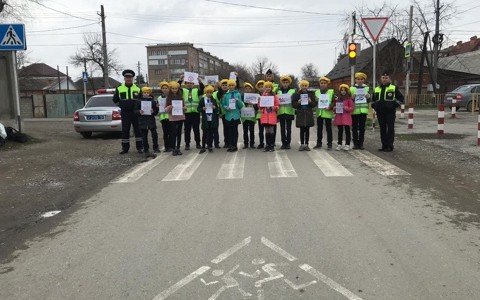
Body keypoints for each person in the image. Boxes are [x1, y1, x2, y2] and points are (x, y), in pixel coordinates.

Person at [371, 70, 404, 152]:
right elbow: (373, 100)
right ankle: (384, 145)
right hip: (380, 112)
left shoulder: (393, 88)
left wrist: (393, 105)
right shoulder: (376, 89)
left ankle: (390, 146)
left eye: (386, 78)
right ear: (380, 79)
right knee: (382, 129)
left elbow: (401, 99)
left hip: (390, 113)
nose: (384, 79)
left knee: (390, 129)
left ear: (389, 78)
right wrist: (375, 106)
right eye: (383, 78)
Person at [112, 69, 143, 155]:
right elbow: (115, 100)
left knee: (138, 130)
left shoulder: (137, 88)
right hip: (125, 113)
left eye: (130, 77)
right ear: (124, 78)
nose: (128, 79)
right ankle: (125, 148)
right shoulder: (119, 88)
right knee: (125, 131)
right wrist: (121, 105)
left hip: (135, 113)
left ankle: (140, 148)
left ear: (133, 78)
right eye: (127, 77)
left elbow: (140, 100)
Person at [178, 75, 204, 150]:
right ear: (185, 84)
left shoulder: (196, 90)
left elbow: (203, 90)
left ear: (193, 84)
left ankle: (198, 143)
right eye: (188, 83)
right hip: (187, 113)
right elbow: (177, 88)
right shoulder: (183, 91)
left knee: (196, 129)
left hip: (195, 113)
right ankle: (187, 144)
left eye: (191, 83)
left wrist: (200, 82)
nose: (189, 84)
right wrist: (180, 80)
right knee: (187, 129)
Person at [292, 80, 316, 151]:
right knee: (302, 130)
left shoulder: (311, 94)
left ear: (307, 86)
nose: (304, 87)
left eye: (305, 86)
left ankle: (307, 144)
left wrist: (310, 102)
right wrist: (298, 102)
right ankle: (302, 144)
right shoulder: (296, 94)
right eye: (303, 86)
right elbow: (294, 105)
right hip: (301, 114)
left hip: (308, 114)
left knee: (307, 130)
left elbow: (314, 104)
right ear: (300, 86)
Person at [221, 79, 244, 152]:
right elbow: (222, 104)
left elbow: (241, 106)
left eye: (232, 85)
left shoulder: (238, 94)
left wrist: (238, 100)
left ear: (234, 86)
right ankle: (230, 145)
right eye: (229, 85)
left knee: (235, 131)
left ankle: (234, 145)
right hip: (228, 116)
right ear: (228, 86)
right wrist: (227, 108)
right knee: (229, 131)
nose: (231, 87)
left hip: (235, 115)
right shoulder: (225, 95)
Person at [136, 86, 159, 158]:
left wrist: (154, 111)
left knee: (154, 134)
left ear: (149, 94)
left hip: (151, 121)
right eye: (144, 93)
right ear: (142, 93)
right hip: (142, 121)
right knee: (144, 137)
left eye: (147, 93)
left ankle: (156, 147)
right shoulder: (138, 101)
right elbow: (135, 111)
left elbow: (156, 111)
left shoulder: (153, 101)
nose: (146, 94)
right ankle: (146, 150)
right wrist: (139, 111)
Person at [350, 72, 371, 150]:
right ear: (355, 80)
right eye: (358, 79)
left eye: (362, 79)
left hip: (363, 111)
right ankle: (355, 143)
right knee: (354, 128)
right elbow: (348, 101)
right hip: (354, 111)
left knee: (362, 128)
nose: (360, 81)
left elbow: (369, 100)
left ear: (364, 80)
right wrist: (352, 98)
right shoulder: (351, 88)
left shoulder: (367, 88)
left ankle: (361, 143)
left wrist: (368, 97)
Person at [314, 76, 336, 150]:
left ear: (327, 84)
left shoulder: (331, 92)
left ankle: (329, 144)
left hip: (327, 113)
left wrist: (330, 107)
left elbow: (334, 101)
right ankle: (318, 143)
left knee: (328, 129)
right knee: (319, 129)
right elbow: (314, 102)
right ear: (319, 84)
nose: (323, 84)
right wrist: (315, 100)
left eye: (324, 83)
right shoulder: (316, 92)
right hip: (319, 113)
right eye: (321, 83)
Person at [165, 81, 186, 156]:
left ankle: (178, 148)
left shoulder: (181, 97)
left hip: (180, 117)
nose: (174, 90)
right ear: (170, 89)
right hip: (172, 118)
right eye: (173, 88)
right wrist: (169, 107)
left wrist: (184, 108)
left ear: (178, 89)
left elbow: (185, 108)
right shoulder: (168, 97)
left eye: (176, 88)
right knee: (173, 134)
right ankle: (173, 148)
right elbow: (166, 110)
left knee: (179, 134)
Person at [332, 84, 355, 151]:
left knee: (347, 131)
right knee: (340, 131)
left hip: (346, 117)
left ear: (347, 91)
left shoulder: (349, 99)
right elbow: (335, 110)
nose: (343, 92)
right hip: (339, 117)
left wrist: (346, 108)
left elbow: (352, 108)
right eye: (342, 90)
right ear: (340, 91)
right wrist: (334, 108)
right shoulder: (338, 99)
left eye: (344, 90)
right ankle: (339, 144)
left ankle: (347, 144)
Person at [198, 85, 219, 153]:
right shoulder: (202, 100)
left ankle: (210, 146)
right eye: (208, 92)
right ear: (205, 93)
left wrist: (215, 107)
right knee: (204, 133)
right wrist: (202, 109)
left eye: (210, 92)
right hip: (205, 120)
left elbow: (217, 110)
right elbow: (198, 109)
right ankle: (203, 146)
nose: (209, 94)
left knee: (210, 133)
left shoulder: (214, 100)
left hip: (212, 120)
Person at [277, 75, 296, 149]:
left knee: (288, 128)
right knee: (282, 128)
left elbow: (294, 101)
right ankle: (283, 143)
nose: (285, 84)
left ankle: (288, 143)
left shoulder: (293, 91)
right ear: (281, 83)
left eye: (287, 82)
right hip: (281, 111)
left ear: (289, 83)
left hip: (289, 112)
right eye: (284, 82)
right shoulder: (278, 91)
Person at [259, 81, 280, 152]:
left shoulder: (274, 96)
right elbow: (260, 107)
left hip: (272, 116)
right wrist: (259, 102)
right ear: (264, 88)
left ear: (272, 88)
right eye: (266, 87)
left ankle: (271, 145)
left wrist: (273, 107)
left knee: (271, 131)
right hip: (265, 116)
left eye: (269, 87)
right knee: (267, 131)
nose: (268, 88)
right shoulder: (263, 96)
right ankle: (267, 145)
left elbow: (277, 105)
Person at [214, 78, 230, 148]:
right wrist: (219, 87)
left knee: (231, 129)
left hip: (231, 113)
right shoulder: (219, 93)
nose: (224, 86)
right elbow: (220, 94)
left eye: (226, 85)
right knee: (225, 128)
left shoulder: (231, 92)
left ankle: (231, 142)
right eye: (223, 85)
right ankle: (226, 142)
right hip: (224, 113)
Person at [158, 81, 172, 152]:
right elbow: (158, 107)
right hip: (163, 118)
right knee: (165, 133)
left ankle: (171, 146)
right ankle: (166, 147)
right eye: (163, 88)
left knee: (171, 132)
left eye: (166, 88)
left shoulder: (171, 96)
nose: (164, 89)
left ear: (169, 89)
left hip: (170, 117)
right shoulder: (159, 97)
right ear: (161, 89)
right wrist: (157, 106)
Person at [241, 82, 257, 149]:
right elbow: (240, 105)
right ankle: (246, 143)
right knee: (245, 130)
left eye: (249, 89)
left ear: (251, 89)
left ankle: (252, 143)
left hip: (252, 116)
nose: (247, 90)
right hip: (244, 116)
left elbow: (257, 107)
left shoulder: (254, 96)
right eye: (246, 89)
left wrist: (253, 104)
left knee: (252, 130)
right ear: (244, 89)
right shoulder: (242, 96)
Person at [255, 80, 266, 149]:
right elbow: (255, 107)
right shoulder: (256, 96)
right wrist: (257, 104)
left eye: (262, 86)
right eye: (260, 87)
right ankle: (261, 143)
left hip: (267, 115)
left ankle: (269, 143)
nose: (261, 88)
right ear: (258, 88)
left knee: (268, 130)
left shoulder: (268, 94)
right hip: (260, 115)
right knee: (261, 130)